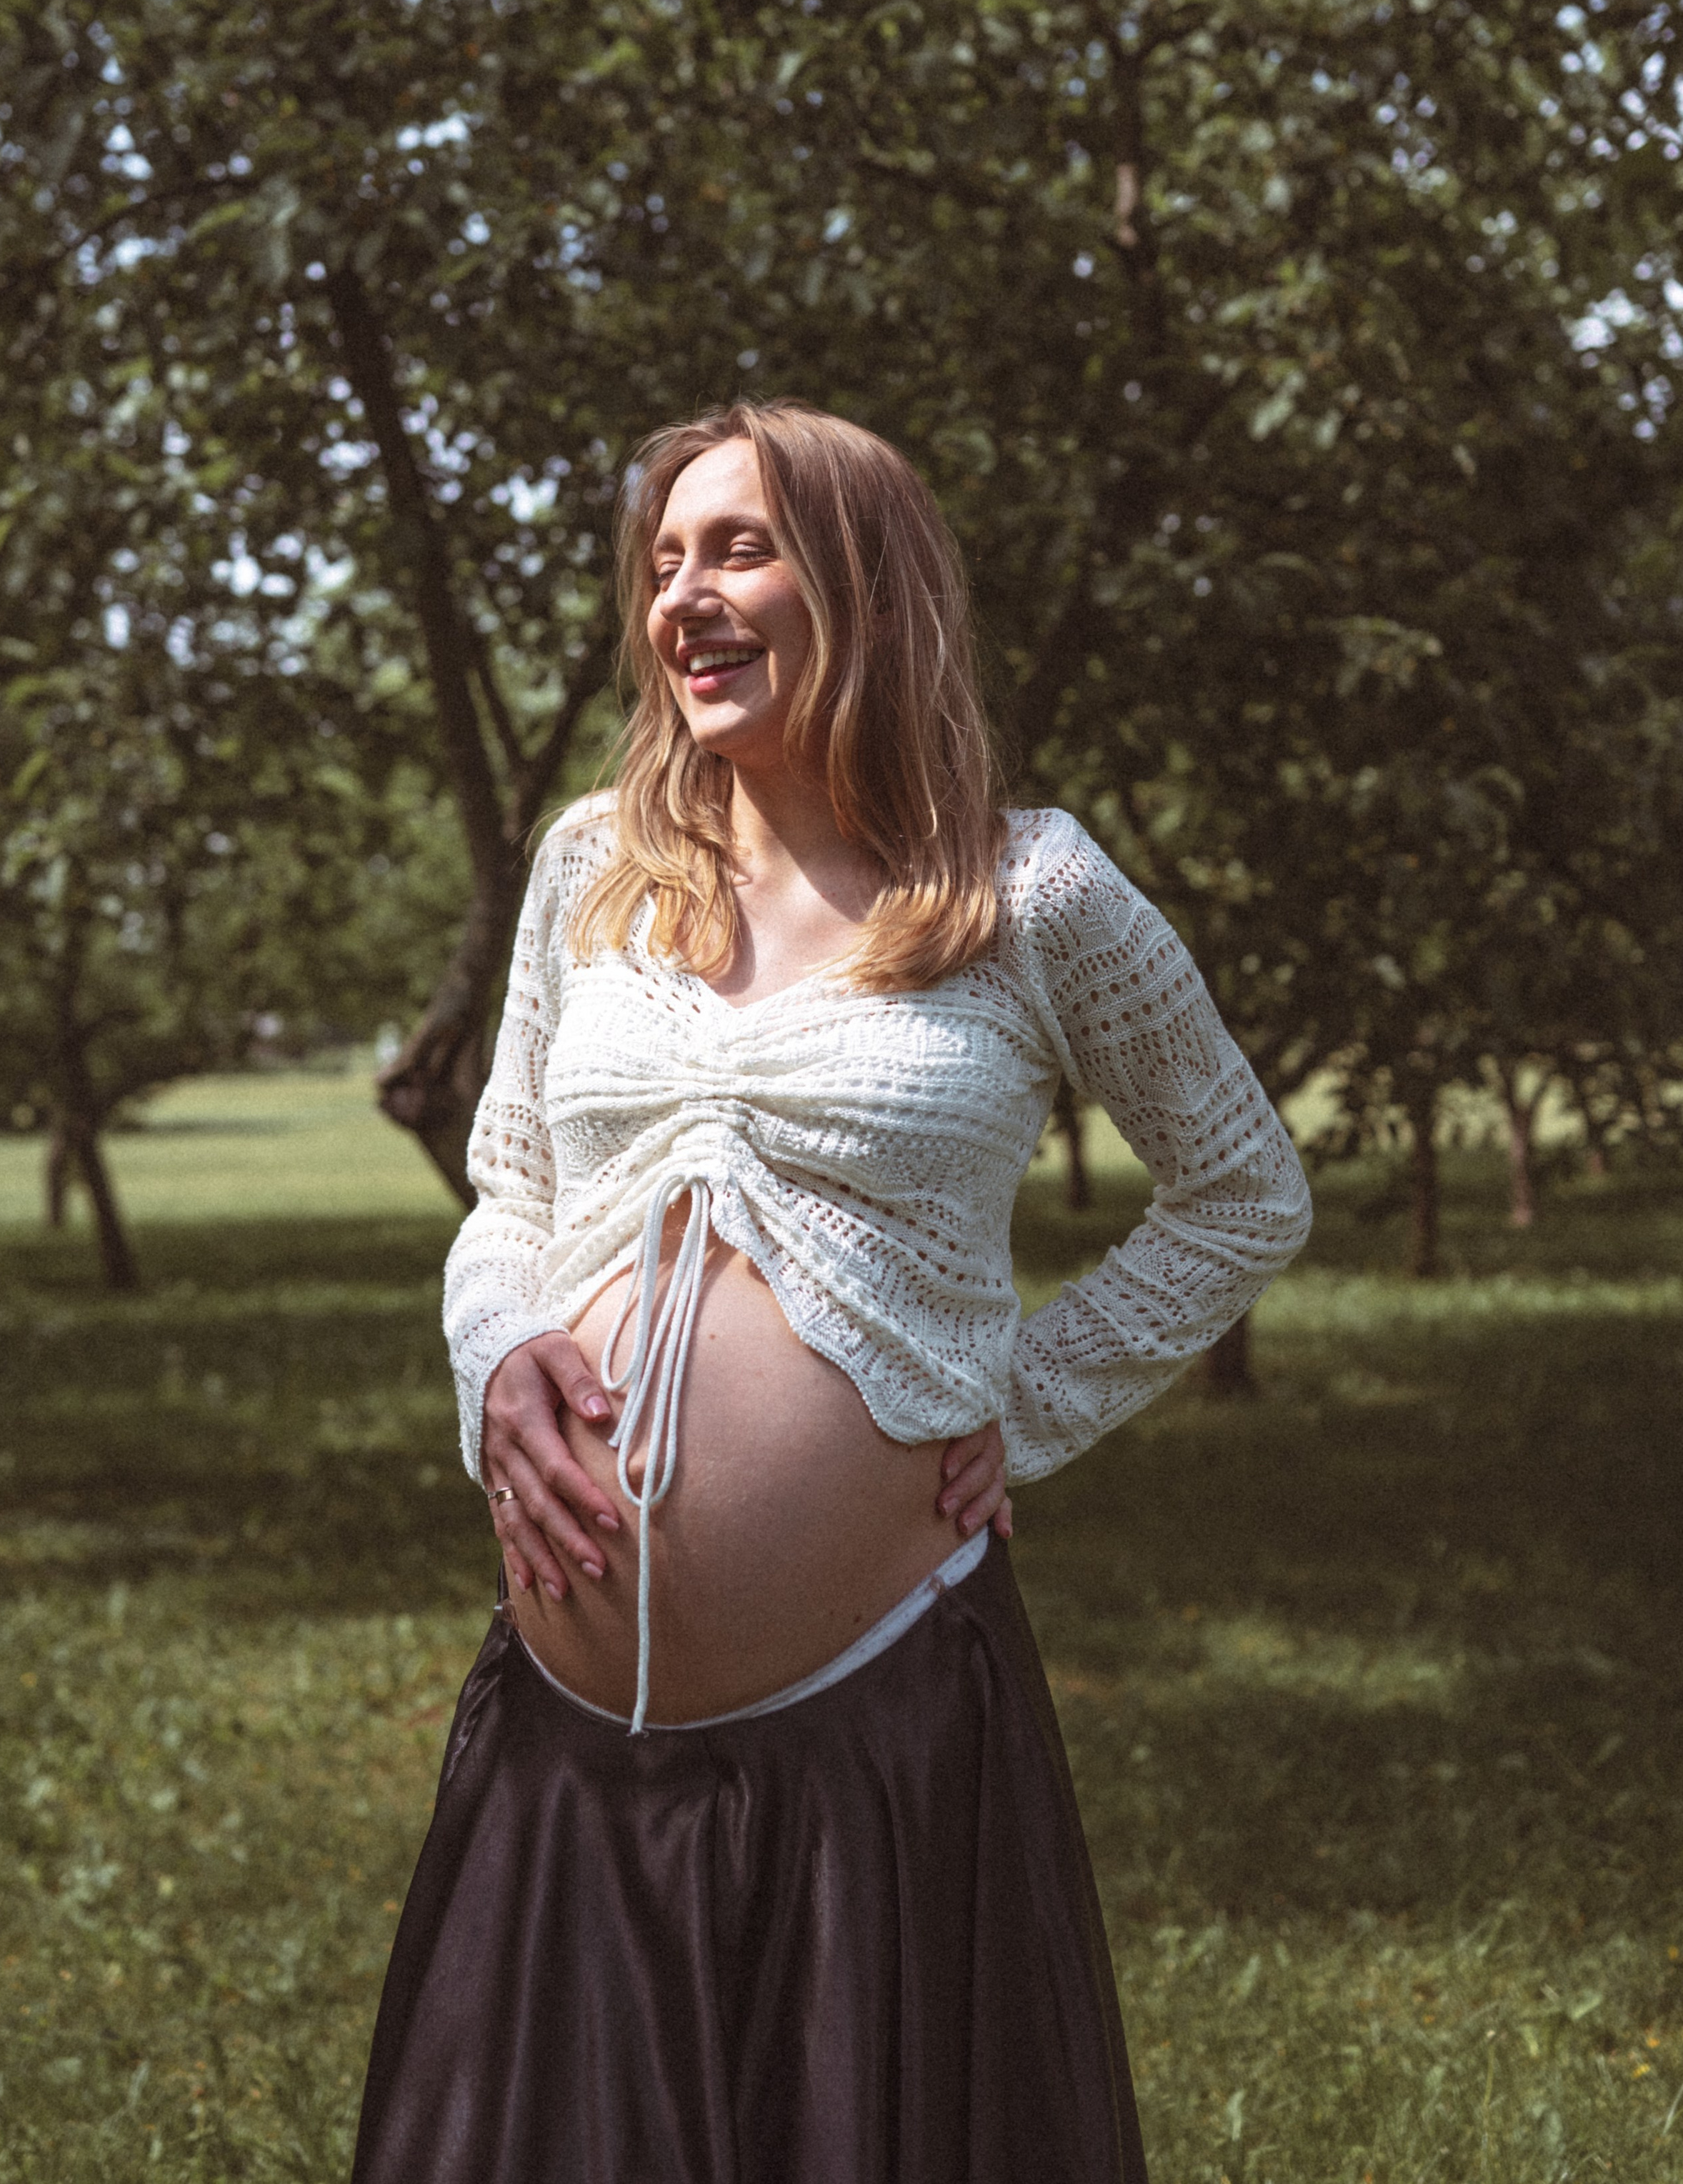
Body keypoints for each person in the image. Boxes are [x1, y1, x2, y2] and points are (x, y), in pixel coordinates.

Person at [350, 399, 1312, 2184]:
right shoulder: (591, 865)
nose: (684, 599)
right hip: (569, 1742)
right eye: (661, 564)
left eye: (737, 547)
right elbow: (510, 1192)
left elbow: (1242, 1189)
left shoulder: (1031, 891)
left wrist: (1026, 1399)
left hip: (871, 1735)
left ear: (861, 580)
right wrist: (499, 1357)